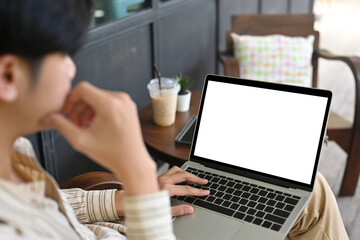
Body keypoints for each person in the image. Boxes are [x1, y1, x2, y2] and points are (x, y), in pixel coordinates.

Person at [0, 0, 349, 239]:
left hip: (128, 222)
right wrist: (137, 171)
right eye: (62, 56)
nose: (71, 69)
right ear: (10, 75)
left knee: (311, 187)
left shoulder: (14, 150)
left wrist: (123, 198)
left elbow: (56, 205)